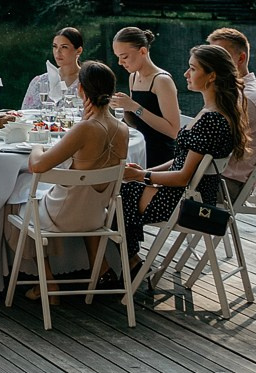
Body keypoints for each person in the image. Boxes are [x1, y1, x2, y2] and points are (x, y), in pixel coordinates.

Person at [14, 60, 133, 292]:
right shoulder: (123, 129)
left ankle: (47, 281)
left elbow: (36, 165)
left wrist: (37, 143)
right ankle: (97, 268)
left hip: (61, 217)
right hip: (97, 218)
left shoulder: (85, 129)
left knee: (15, 197)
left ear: (80, 90)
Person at [121, 43, 247, 263]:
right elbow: (181, 160)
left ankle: (124, 263)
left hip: (183, 201)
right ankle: (126, 262)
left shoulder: (211, 119)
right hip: (188, 194)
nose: (186, 73)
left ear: (211, 76)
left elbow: (182, 177)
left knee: (116, 195)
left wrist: (142, 176)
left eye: (193, 69)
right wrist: (146, 171)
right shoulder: (215, 112)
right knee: (122, 188)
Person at [207, 27, 256, 190]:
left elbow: (207, 148)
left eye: (221, 57)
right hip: (217, 176)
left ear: (241, 58)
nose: (212, 63)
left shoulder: (245, 98)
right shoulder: (234, 92)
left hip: (227, 183)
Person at [111, 27, 182, 168]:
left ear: (143, 51)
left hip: (161, 156)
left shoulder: (162, 80)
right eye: (118, 57)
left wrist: (134, 106)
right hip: (140, 148)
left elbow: (174, 131)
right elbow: (137, 124)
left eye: (124, 57)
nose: (120, 62)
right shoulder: (133, 77)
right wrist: (124, 108)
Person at [18, 28, 85, 110]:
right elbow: (25, 113)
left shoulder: (89, 82)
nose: (57, 51)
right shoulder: (40, 82)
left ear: (79, 51)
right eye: (55, 46)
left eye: (64, 47)